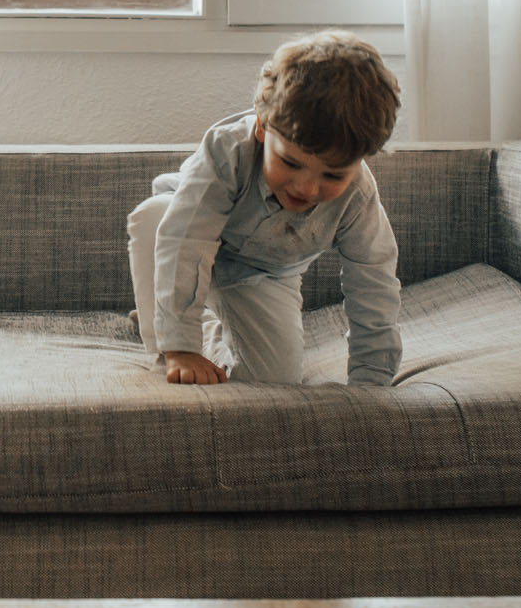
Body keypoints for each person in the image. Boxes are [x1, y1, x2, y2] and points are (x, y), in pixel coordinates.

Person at [128, 31, 402, 386]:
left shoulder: (358, 198)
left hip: (263, 272)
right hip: (184, 240)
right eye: (290, 163)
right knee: (155, 216)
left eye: (332, 174)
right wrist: (180, 346)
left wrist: (372, 377)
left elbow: (374, 283)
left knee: (276, 382)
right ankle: (167, 332)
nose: (305, 188)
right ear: (261, 125)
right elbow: (185, 241)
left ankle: (206, 324)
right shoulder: (228, 150)